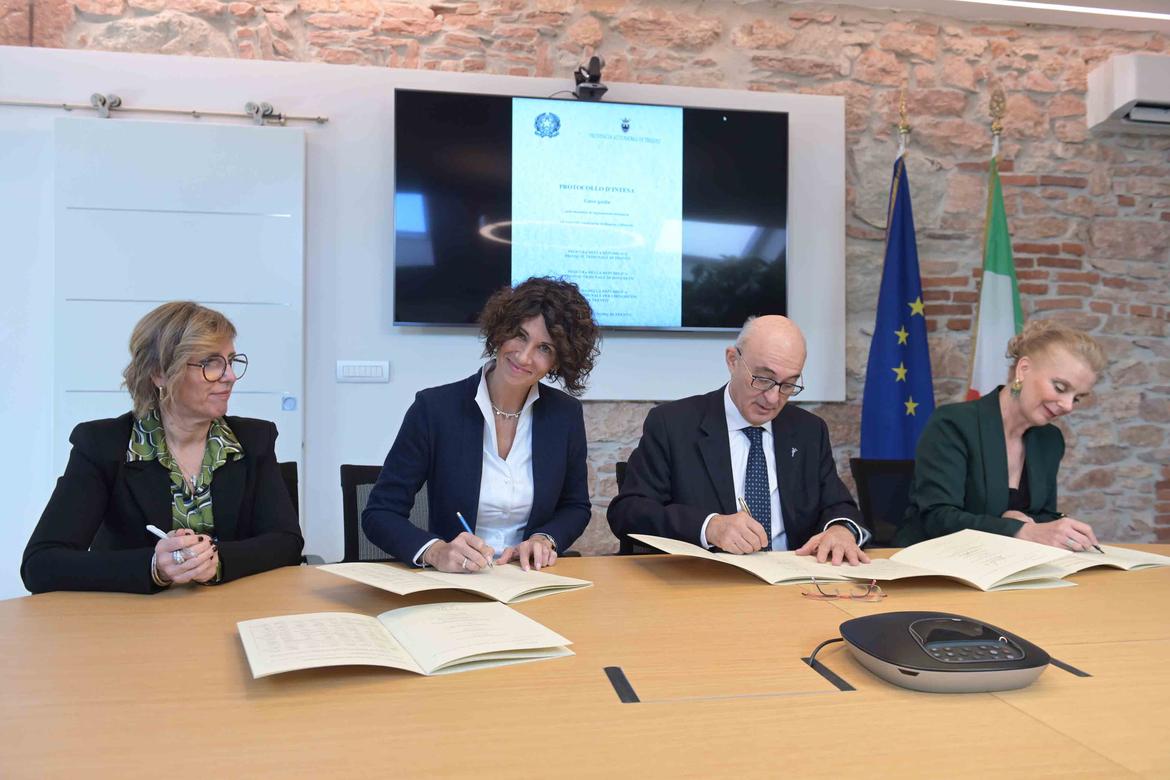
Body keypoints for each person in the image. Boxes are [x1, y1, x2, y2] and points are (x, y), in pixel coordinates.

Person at [22, 302, 304, 594]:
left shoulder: (253, 440)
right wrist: (154, 567)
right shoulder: (104, 445)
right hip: (134, 616)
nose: (230, 376)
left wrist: (217, 561)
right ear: (160, 373)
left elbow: (287, 541)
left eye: (231, 361)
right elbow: (40, 565)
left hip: (232, 609)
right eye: (211, 363)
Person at [363, 277, 601, 572]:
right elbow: (380, 513)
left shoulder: (565, 415)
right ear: (502, 329)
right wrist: (436, 552)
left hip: (530, 578)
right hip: (456, 578)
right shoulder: (434, 409)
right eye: (520, 336)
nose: (524, 356)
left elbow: (575, 506)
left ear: (558, 361)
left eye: (544, 348)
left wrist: (545, 538)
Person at [608, 315, 870, 565]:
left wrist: (841, 530)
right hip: (706, 580)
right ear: (732, 360)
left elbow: (839, 505)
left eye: (788, 385)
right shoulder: (674, 425)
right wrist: (709, 526)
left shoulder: (808, 431)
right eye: (763, 379)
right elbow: (629, 512)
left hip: (792, 581)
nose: (773, 398)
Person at [895, 320, 1107, 550]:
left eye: (1077, 398)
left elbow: (1043, 515)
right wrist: (1016, 528)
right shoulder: (953, 423)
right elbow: (938, 518)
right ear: (1023, 369)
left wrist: (1034, 523)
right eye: (1060, 387)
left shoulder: (1050, 439)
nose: (1068, 406)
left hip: (1008, 563)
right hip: (932, 561)